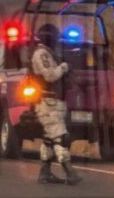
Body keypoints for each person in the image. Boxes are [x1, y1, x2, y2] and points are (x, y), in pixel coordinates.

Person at [31, 24, 82, 185]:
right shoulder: (42, 54)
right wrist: (64, 67)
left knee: (49, 139)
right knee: (61, 138)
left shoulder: (49, 53)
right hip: (48, 103)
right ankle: (70, 172)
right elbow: (50, 76)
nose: (57, 40)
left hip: (53, 102)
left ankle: (45, 173)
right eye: (55, 37)